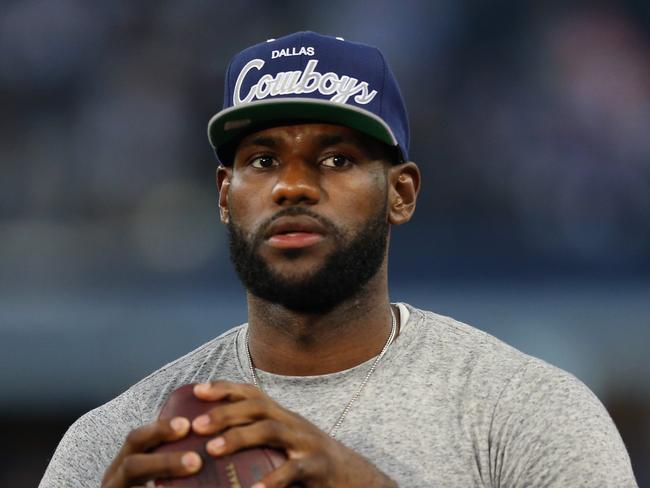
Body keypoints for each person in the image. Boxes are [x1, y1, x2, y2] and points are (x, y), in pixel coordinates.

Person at [40, 31, 638, 488]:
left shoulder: (526, 411)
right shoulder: (117, 439)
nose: (291, 187)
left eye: (336, 160)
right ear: (225, 196)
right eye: (263, 161)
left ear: (400, 193)